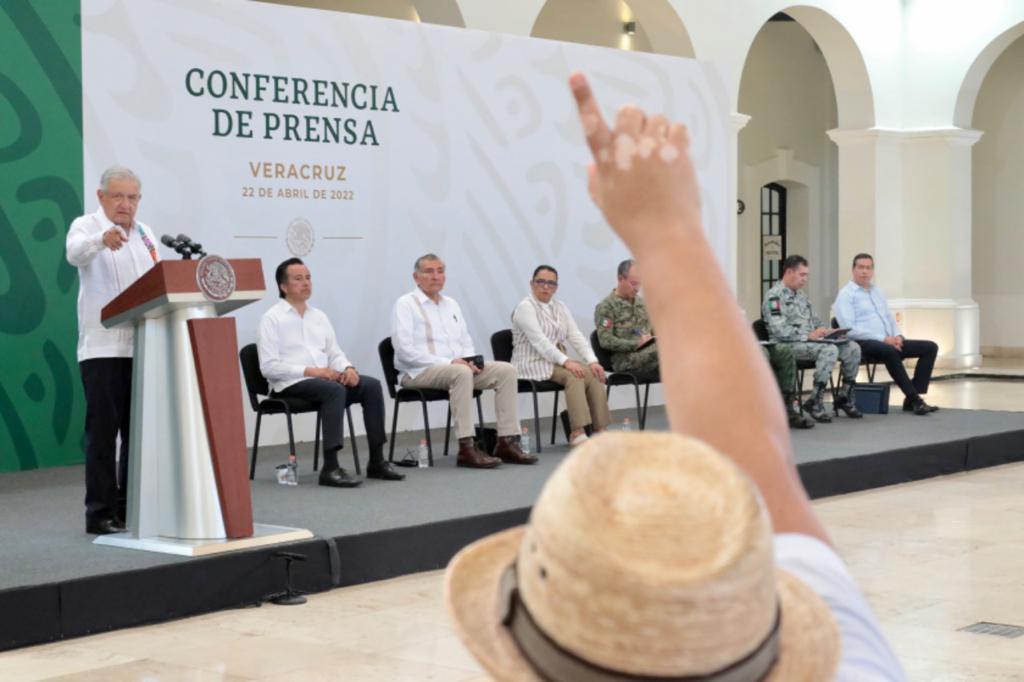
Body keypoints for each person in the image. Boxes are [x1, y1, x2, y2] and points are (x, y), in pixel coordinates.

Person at [445, 72, 905, 681]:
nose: (549, 287)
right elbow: (757, 453)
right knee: (593, 372)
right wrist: (669, 231)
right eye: (544, 281)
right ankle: (584, 430)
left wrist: (662, 235)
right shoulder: (855, 664)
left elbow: (590, 345)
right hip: (584, 362)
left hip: (597, 360)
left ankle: (593, 430)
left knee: (592, 372)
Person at [67, 166, 160, 535]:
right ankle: (100, 513)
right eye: (118, 196)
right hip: (103, 348)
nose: (125, 204)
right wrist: (101, 241)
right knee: (104, 435)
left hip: (143, 345)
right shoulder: (86, 226)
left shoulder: (146, 233)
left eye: (132, 197)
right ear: (101, 196)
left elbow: (157, 280)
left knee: (137, 435)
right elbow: (75, 254)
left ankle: (129, 507)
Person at [258, 258, 404, 487]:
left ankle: (377, 461)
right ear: (283, 286)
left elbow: (334, 352)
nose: (306, 283)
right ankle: (330, 467)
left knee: (370, 386)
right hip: (290, 384)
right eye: (298, 279)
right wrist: (311, 371)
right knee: (334, 391)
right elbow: (268, 367)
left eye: (308, 278)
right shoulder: (271, 318)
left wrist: (348, 368)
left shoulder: (319, 316)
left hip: (324, 381)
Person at [391, 254, 536, 468]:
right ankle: (466, 448)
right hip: (418, 372)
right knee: (460, 372)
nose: (436, 276)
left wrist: (470, 361)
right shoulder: (405, 304)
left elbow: (465, 341)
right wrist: (450, 362)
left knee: (506, 370)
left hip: (457, 370)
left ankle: (507, 442)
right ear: (416, 277)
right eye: (429, 271)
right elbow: (404, 351)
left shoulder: (451, 304)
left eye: (440, 271)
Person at [511, 265, 609, 445]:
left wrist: (593, 361)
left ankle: (600, 430)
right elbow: (541, 342)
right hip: (532, 362)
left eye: (551, 283)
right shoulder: (525, 308)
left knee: (592, 373)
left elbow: (575, 335)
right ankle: (577, 432)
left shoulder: (560, 306)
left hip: (556, 361)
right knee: (575, 374)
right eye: (541, 282)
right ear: (532, 284)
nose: (545, 286)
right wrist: (566, 362)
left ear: (556, 287)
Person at [835, 253, 939, 415]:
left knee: (930, 347)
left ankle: (912, 397)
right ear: (853, 269)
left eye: (868, 268)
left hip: (888, 341)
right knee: (890, 351)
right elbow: (849, 329)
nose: (865, 271)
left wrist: (898, 336)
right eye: (861, 267)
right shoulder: (846, 294)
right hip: (862, 342)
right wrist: (884, 339)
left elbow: (889, 318)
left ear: (872, 270)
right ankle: (914, 399)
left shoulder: (877, 291)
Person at [763, 255, 863, 422]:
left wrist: (826, 331)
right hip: (788, 346)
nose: (805, 279)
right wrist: (807, 335)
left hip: (811, 342)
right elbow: (779, 330)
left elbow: (815, 321)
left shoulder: (801, 296)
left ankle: (845, 397)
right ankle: (815, 400)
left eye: (806, 275)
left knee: (852, 348)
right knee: (829, 350)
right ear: (789, 272)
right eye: (802, 274)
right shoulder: (774, 296)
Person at [593, 259, 658, 376]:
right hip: (625, 360)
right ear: (620, 279)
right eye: (634, 283)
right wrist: (636, 344)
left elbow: (654, 330)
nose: (637, 288)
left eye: (640, 284)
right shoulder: (606, 307)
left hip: (650, 353)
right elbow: (605, 340)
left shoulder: (643, 304)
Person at [764, 343, 816, 429]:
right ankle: (761, 412)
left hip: (765, 342)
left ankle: (788, 409)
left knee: (786, 351)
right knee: (761, 354)